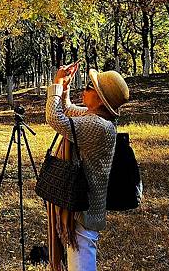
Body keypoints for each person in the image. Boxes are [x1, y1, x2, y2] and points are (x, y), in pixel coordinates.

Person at [45, 63, 130, 271]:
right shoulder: (96, 118)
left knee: (81, 264)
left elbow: (56, 118)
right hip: (85, 204)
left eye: (90, 87)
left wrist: (56, 85)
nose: (85, 89)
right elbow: (68, 110)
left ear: (100, 99)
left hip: (84, 208)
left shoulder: (97, 126)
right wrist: (65, 88)